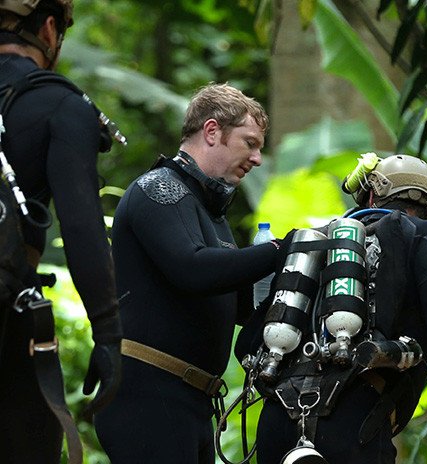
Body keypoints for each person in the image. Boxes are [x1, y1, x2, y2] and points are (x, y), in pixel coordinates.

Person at [93, 83, 291, 463]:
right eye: (249, 143)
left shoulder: (210, 212)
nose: (257, 158)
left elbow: (239, 308)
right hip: (149, 397)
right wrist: (280, 249)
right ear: (212, 131)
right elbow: (192, 269)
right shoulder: (158, 190)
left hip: (190, 402)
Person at [235, 154, 427, 463]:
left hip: (277, 423)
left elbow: (250, 337)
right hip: (352, 422)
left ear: (371, 195)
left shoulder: (312, 244)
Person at [0, 1, 123, 462]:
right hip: (11, 318)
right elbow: (81, 229)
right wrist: (108, 332)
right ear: (48, 29)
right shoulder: (60, 104)